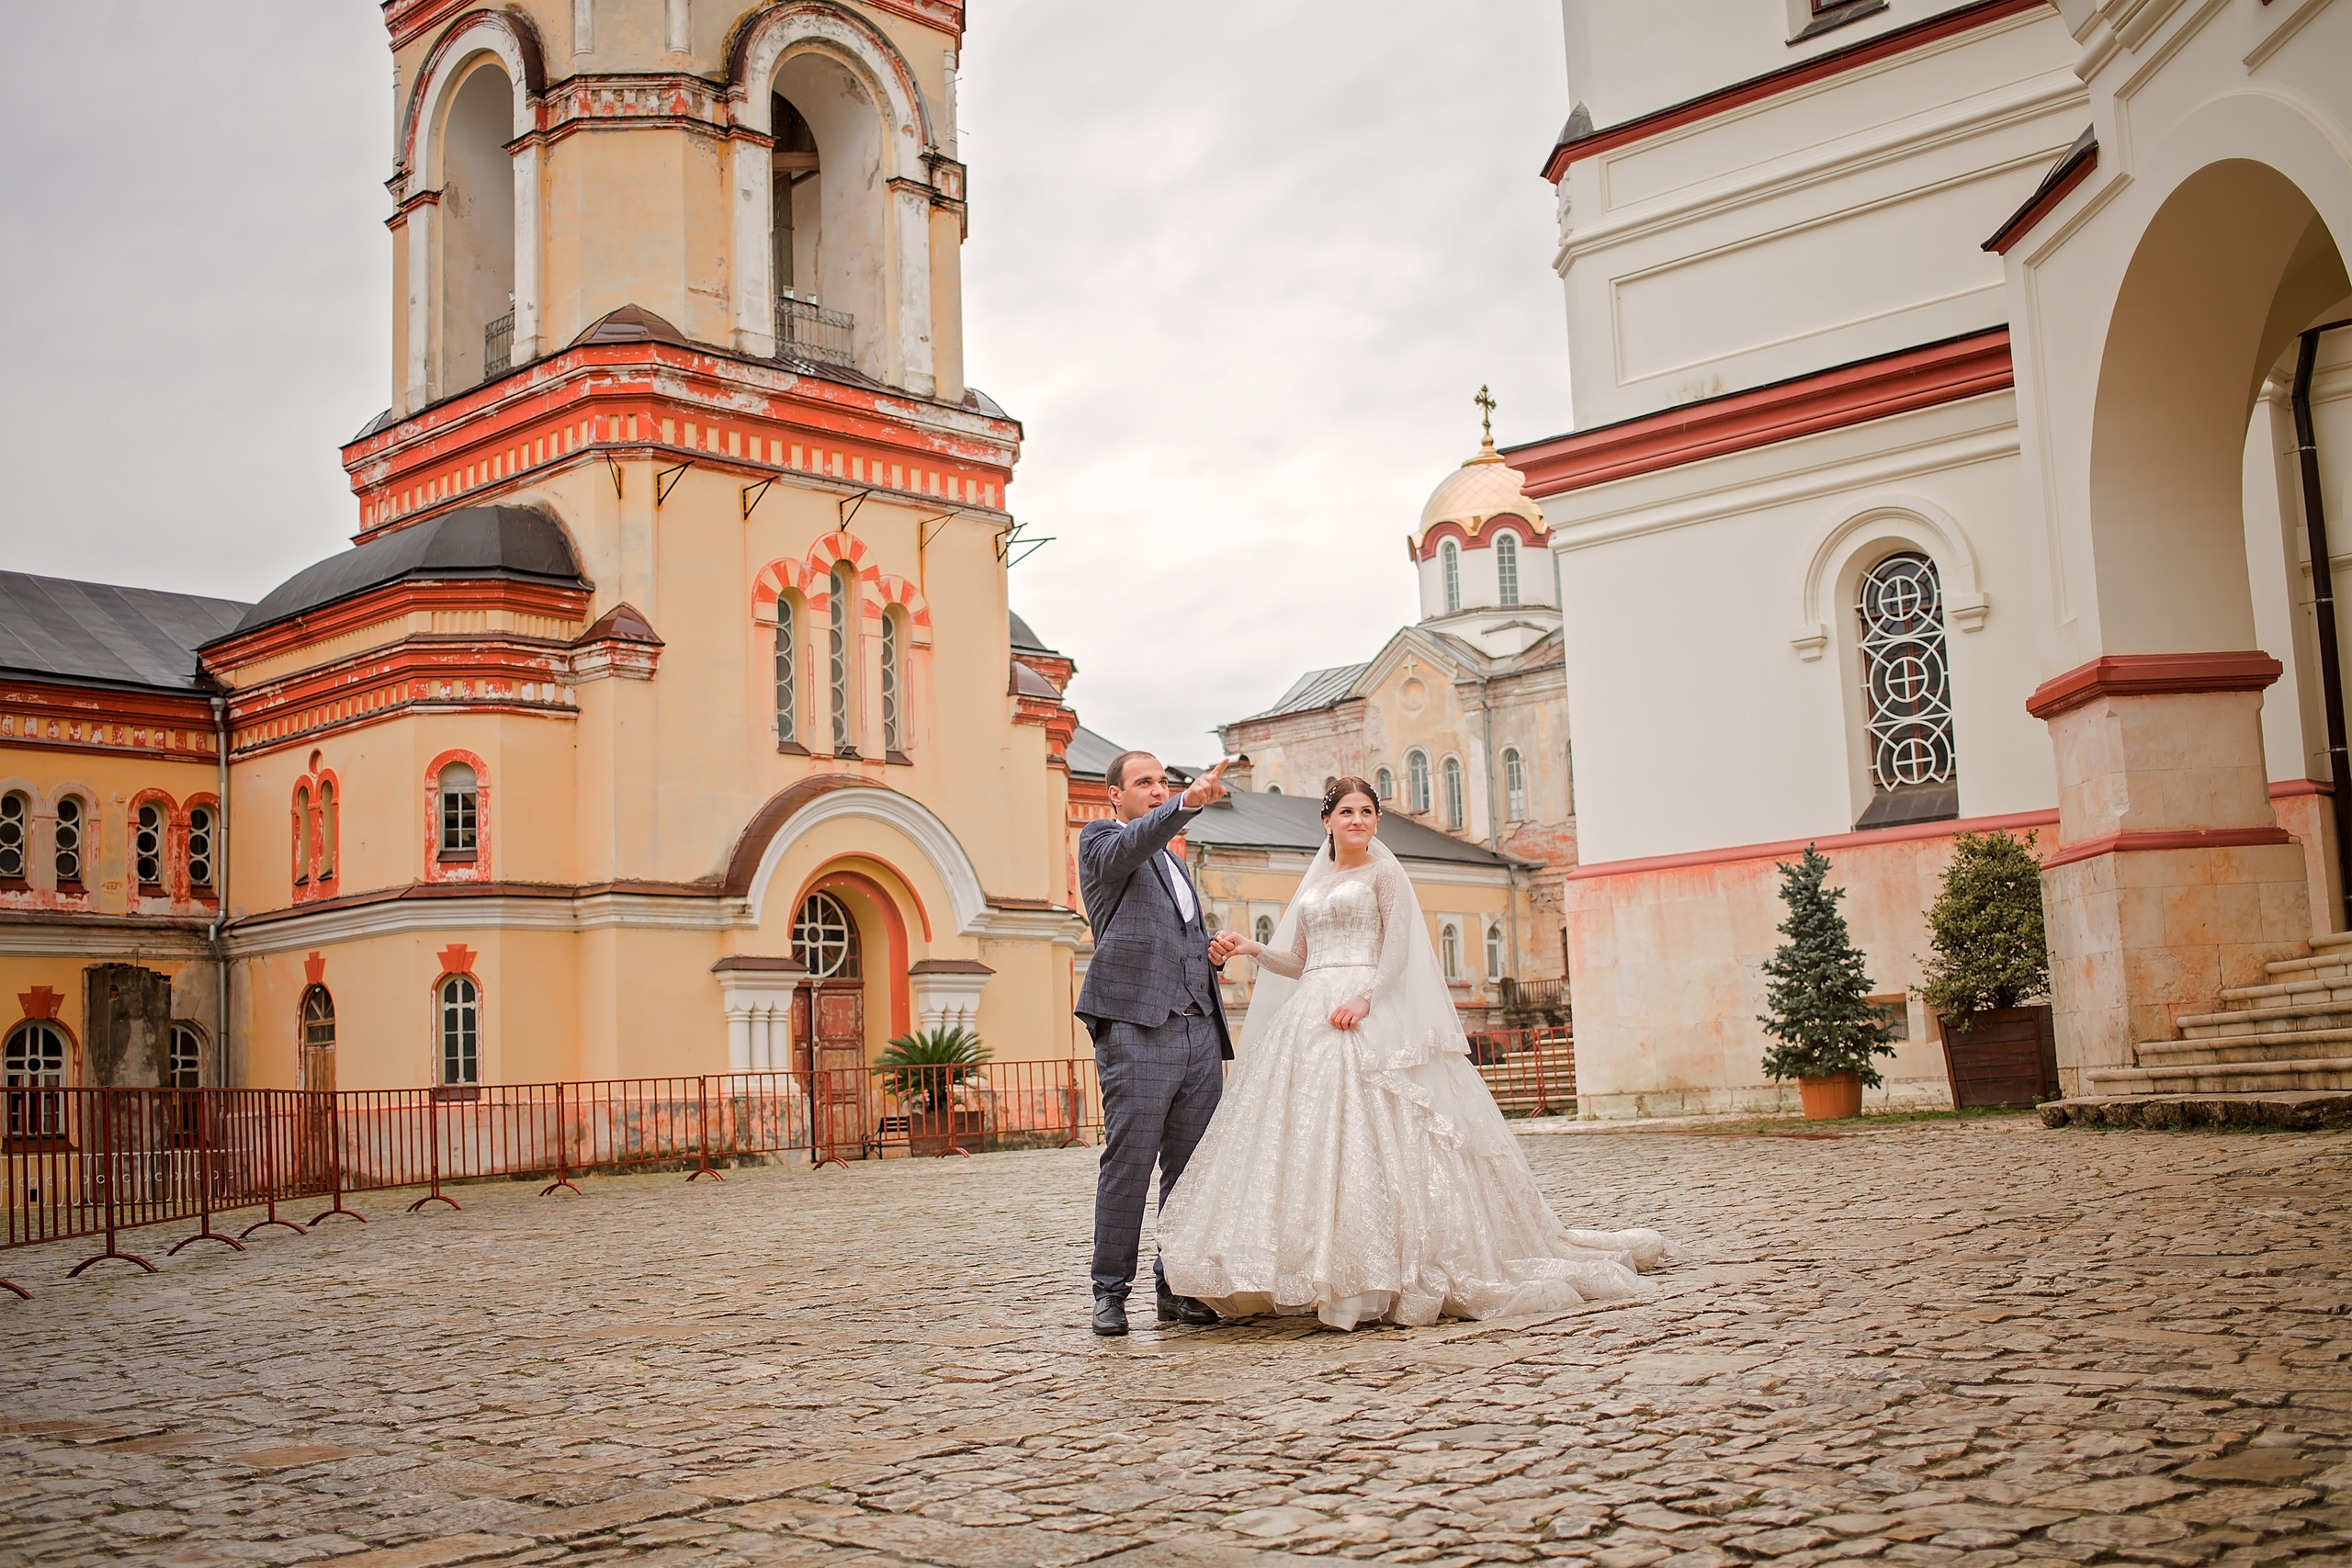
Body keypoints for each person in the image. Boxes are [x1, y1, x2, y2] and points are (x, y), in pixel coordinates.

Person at [1162, 777, 1672, 1330]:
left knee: (1389, 1128)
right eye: (1347, 812)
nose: (1358, 820)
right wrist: (1253, 948)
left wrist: (1366, 998)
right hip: (1310, 1013)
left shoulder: (1384, 873)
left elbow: (1398, 951)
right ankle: (1309, 1265)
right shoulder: (1314, 886)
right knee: (1304, 1134)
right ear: (1327, 821)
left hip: (1366, 1010)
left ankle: (1387, 1264)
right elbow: (1300, 962)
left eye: (1367, 812)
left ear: (1376, 821)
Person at [1074, 750, 1235, 1337]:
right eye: (1144, 782)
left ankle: (1177, 1286)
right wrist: (1187, 802)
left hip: (1199, 1028)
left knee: (1189, 1170)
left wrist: (1208, 955)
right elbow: (1134, 843)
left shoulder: (1176, 863)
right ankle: (1110, 1291)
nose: (1157, 789)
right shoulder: (1101, 842)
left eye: (1163, 782)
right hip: (1137, 1027)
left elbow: (1168, 935)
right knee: (1130, 1163)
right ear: (1114, 795)